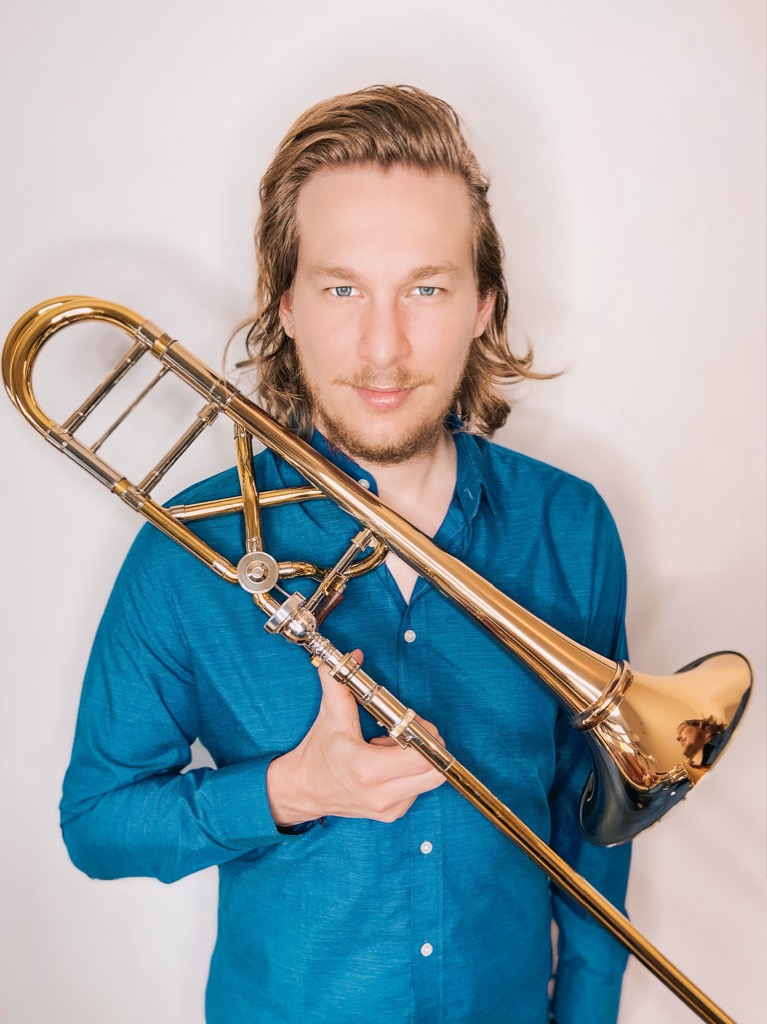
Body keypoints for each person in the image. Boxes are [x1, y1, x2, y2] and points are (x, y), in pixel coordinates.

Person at [60, 85, 632, 1024]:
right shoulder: (183, 549)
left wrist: (586, 1011)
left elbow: (596, 813)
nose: (383, 346)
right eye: (341, 288)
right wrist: (288, 790)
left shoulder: (569, 528)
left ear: (483, 305)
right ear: (285, 306)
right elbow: (97, 823)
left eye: (426, 288)